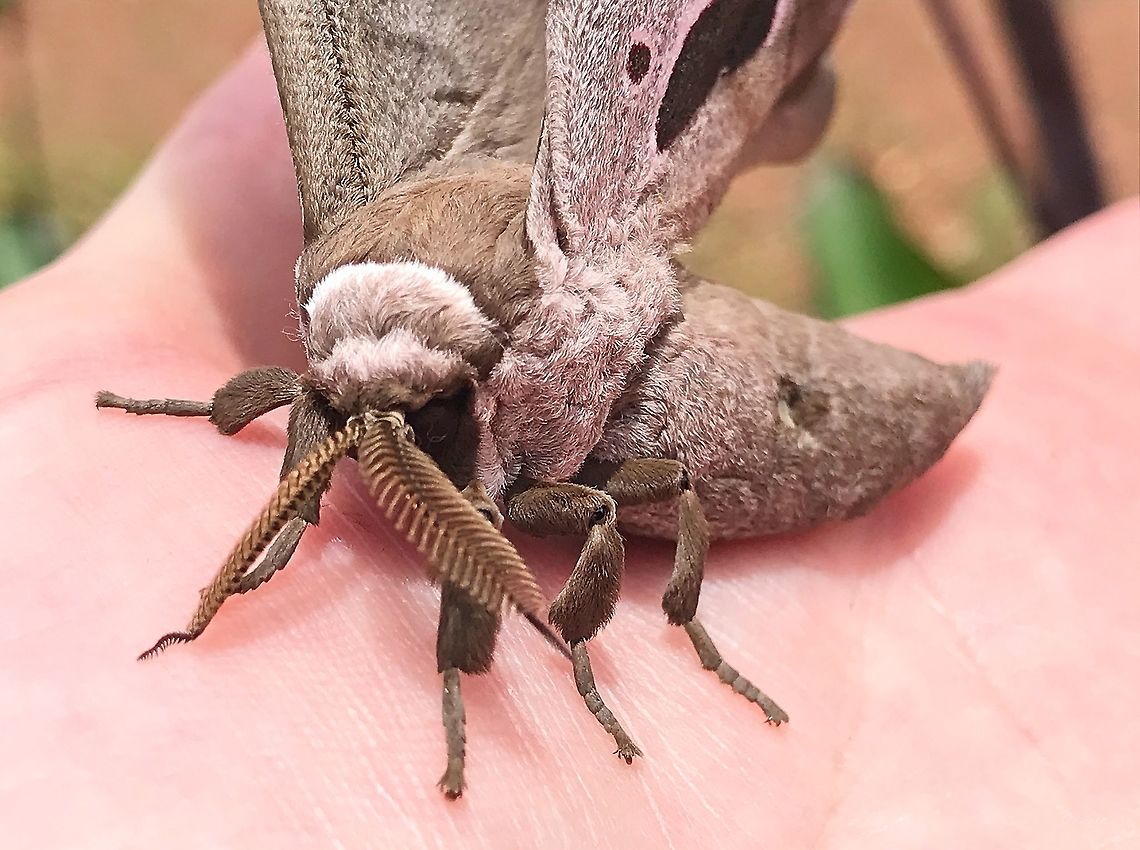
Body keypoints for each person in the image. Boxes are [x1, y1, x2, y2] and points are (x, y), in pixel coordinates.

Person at [1, 45, 1136, 848]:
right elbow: (331, 403)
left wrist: (532, 671)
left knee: (603, 505)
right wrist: (244, 468)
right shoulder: (364, 382)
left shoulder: (509, 374)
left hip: (735, 381)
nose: (349, 434)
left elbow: (611, 509)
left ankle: (628, 646)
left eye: (413, 412)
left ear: (470, 379)